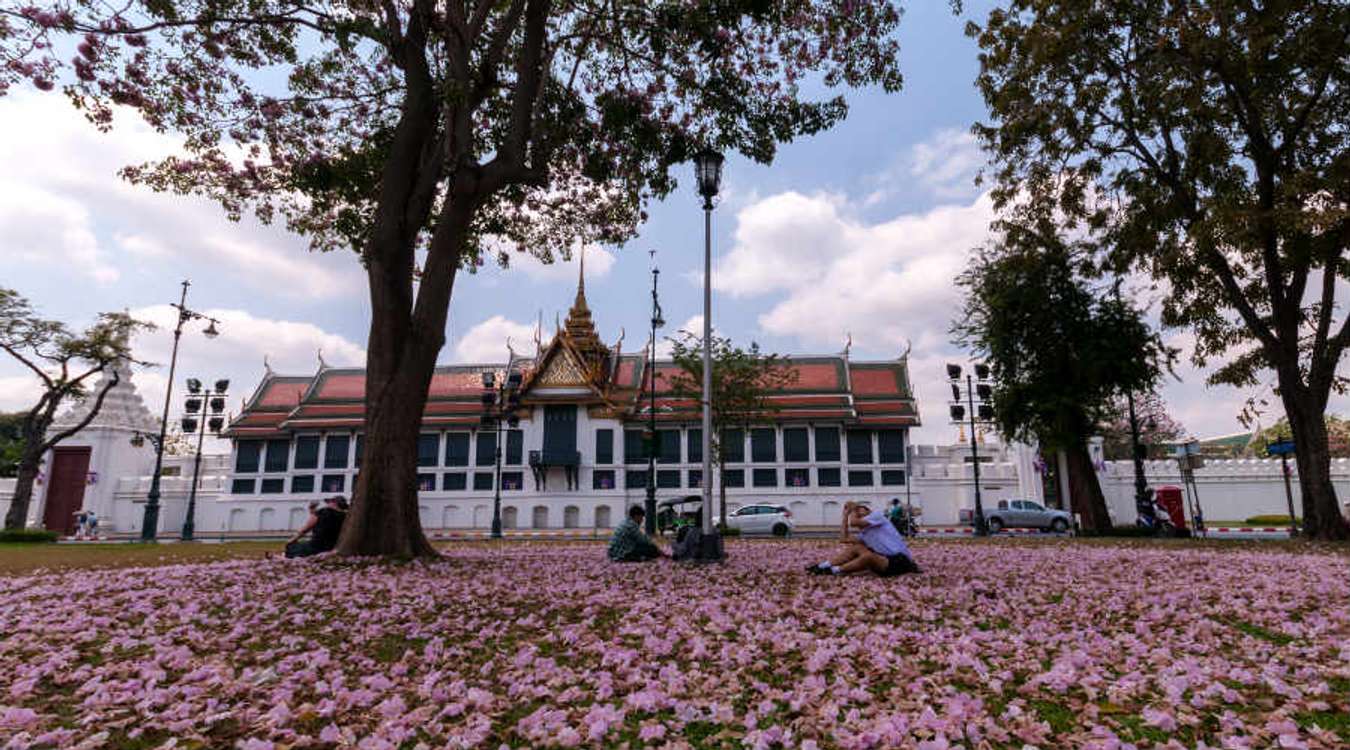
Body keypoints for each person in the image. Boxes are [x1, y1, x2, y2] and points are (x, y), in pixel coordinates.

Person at [807, 501, 920, 576]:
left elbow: (854, 522)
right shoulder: (865, 534)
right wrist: (845, 515)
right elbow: (843, 538)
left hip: (900, 561)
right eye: (856, 512)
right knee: (856, 548)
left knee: (868, 556)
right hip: (883, 561)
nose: (857, 514)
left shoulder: (877, 516)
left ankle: (833, 571)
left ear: (869, 511)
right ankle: (821, 566)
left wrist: (853, 509)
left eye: (860, 511)